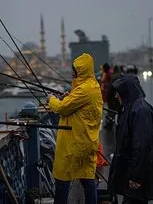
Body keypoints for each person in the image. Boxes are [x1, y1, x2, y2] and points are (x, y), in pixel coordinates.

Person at [47, 53, 103, 204]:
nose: (73, 73)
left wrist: (51, 99)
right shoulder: (93, 85)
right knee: (87, 179)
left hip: (74, 142)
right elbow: (78, 104)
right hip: (88, 140)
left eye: (75, 70)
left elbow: (62, 108)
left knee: (62, 179)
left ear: (81, 71)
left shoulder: (83, 90)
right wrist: (70, 96)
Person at [107, 75, 153, 204]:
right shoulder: (131, 108)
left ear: (126, 92)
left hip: (137, 179)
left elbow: (141, 146)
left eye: (118, 93)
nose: (116, 97)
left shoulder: (141, 111)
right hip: (131, 175)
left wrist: (136, 177)